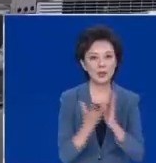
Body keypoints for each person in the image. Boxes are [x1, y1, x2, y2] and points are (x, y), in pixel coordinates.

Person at [58, 25, 145, 163]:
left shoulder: (129, 100)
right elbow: (65, 155)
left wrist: (114, 125)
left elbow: (138, 153)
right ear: (83, 64)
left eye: (108, 56)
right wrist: (86, 128)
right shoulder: (70, 99)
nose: (102, 64)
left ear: (116, 61)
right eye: (93, 57)